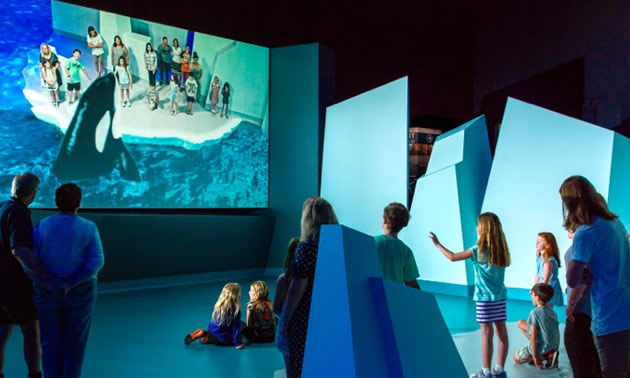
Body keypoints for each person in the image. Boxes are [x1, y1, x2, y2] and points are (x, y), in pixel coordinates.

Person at [32, 183, 104, 378]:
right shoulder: (89, 227)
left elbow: (31, 262)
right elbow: (96, 261)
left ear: (56, 202)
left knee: (49, 344)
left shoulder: (41, 226)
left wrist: (49, 283)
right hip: (81, 293)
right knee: (75, 344)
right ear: (79, 203)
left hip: (47, 293)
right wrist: (70, 282)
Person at [561, 176, 630, 377]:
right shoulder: (616, 223)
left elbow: (573, 280)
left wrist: (583, 274)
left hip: (608, 316)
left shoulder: (585, 232)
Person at [429, 212, 510, 378]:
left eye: (478, 225)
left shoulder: (477, 250)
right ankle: (499, 370)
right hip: (499, 297)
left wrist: (437, 245)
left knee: (486, 333)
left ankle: (486, 372)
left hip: (483, 299)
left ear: (483, 228)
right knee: (501, 332)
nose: (476, 227)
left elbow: (452, 257)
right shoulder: (501, 250)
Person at [281, 197, 338, 378]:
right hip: (333, 313)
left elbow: (297, 290)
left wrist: (285, 320)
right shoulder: (337, 246)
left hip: (307, 317)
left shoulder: (306, 248)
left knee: (302, 364)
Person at [0, 173, 47, 378]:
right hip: (15, 285)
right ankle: (34, 375)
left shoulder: (2, 207)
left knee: (1, 333)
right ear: (34, 193)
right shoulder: (20, 213)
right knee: (31, 332)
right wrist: (42, 276)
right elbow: (19, 250)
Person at [564, 229, 602, 378]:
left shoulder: (574, 250)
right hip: (593, 311)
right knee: (591, 355)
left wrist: (571, 306)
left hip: (579, 312)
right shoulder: (597, 247)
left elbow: (580, 280)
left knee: (579, 359)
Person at [184, 283, 245, 349]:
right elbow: (236, 328)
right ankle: (206, 338)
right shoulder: (235, 309)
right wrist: (238, 343)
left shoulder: (219, 305)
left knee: (224, 326)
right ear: (236, 295)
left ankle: (205, 334)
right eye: (239, 293)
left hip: (212, 332)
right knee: (242, 326)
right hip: (222, 340)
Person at [513, 283, 560, 369]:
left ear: (537, 298)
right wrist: (556, 348)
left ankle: (542, 356)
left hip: (542, 348)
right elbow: (557, 331)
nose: (531, 294)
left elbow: (534, 337)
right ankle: (550, 354)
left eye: (533, 294)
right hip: (552, 346)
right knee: (521, 323)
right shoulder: (552, 311)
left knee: (516, 359)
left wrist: (535, 357)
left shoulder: (534, 313)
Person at [374, 202, 420, 289]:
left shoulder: (371, 243)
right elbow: (412, 284)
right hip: (394, 300)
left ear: (384, 220)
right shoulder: (406, 252)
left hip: (371, 296)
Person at [274, 237, 299, 373]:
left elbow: (276, 307)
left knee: (290, 367)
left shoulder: (283, 279)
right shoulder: (311, 280)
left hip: (287, 328)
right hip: (304, 327)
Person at [534, 232, 563, 306]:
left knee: (546, 307)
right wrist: (534, 288)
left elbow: (546, 278)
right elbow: (537, 274)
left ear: (548, 244)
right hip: (541, 285)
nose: (537, 243)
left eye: (540, 241)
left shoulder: (549, 260)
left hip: (547, 287)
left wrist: (541, 292)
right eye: (537, 240)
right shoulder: (539, 258)